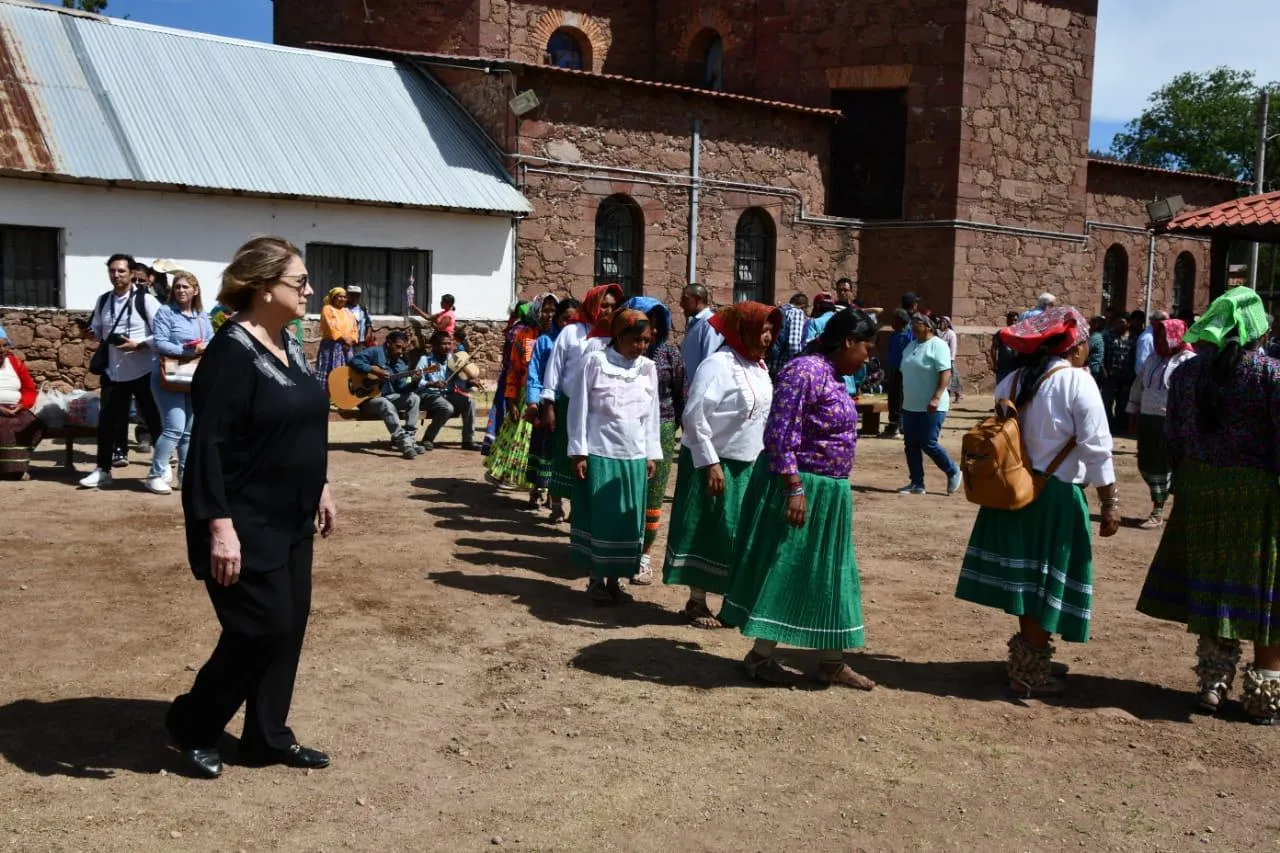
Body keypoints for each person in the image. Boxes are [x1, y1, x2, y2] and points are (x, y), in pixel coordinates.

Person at [168, 235, 335, 779]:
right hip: (241, 519)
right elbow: (207, 447)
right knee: (261, 625)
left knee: (289, 626)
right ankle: (193, 723)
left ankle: (266, 736)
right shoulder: (230, 354)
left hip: (291, 515)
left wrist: (322, 485)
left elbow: (303, 425)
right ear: (264, 288)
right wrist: (219, 525)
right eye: (300, 282)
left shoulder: (292, 344)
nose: (310, 290)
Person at [955, 306, 1119, 697]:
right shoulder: (1078, 383)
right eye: (1081, 343)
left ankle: (1031, 658)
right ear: (1072, 347)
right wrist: (1109, 501)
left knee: (1027, 581)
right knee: (1044, 581)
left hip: (1014, 492)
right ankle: (1028, 672)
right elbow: (1097, 448)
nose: (1084, 350)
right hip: (1056, 496)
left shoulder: (1010, 382)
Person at [1135, 289, 1280, 722]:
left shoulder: (1185, 375)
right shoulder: (1272, 375)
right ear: (1260, 330)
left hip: (1200, 488)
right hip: (1258, 496)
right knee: (1265, 593)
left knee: (1213, 583)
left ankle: (1213, 683)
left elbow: (1174, 438)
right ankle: (1265, 693)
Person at [719, 308, 880, 689]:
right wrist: (794, 488)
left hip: (831, 490)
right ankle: (760, 657)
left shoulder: (836, 376)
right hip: (802, 487)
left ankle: (832, 661)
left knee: (832, 573)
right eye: (866, 348)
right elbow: (779, 433)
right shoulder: (804, 371)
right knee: (787, 567)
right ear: (848, 342)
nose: (868, 357)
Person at [663, 302, 776, 627]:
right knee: (712, 529)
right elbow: (694, 414)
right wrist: (710, 462)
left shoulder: (758, 366)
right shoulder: (718, 365)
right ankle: (697, 602)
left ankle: (731, 602)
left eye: (770, 330)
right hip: (713, 460)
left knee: (739, 533)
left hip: (747, 463)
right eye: (762, 330)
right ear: (743, 331)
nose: (767, 337)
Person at [567, 309, 663, 605]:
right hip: (600, 452)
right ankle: (596, 579)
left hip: (633, 456)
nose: (641, 347)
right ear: (618, 336)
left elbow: (652, 415)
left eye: (646, 341)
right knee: (602, 518)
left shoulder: (647, 368)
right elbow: (579, 407)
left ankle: (614, 581)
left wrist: (651, 453)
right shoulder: (595, 361)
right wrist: (578, 452)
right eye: (636, 340)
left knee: (626, 521)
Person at [79, 254, 164, 489]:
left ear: (131, 273)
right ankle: (103, 469)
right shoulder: (103, 300)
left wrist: (140, 344)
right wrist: (89, 334)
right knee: (107, 422)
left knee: (154, 421)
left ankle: (160, 469)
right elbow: (97, 329)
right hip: (113, 372)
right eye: (112, 271)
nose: (116, 275)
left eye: (121, 271)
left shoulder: (145, 301)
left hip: (143, 370)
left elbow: (164, 333)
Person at [540, 284, 622, 519]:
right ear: (592, 304)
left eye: (612, 306)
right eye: (603, 305)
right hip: (569, 404)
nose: (608, 310)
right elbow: (554, 369)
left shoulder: (615, 335)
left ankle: (579, 509)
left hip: (598, 410)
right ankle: (556, 504)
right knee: (564, 455)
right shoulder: (572, 332)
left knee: (589, 458)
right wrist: (548, 405)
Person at [620, 296, 685, 585]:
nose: (653, 332)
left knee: (654, 494)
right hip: (624, 431)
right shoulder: (617, 358)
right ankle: (617, 556)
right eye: (647, 323)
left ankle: (644, 555)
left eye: (658, 324)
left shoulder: (670, 355)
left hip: (663, 427)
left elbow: (681, 393)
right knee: (624, 492)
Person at [145, 271, 214, 495]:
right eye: (177, 287)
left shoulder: (202, 316)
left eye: (185, 287)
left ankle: (185, 477)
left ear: (195, 290)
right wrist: (188, 350)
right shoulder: (165, 312)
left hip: (193, 376)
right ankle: (155, 474)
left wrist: (204, 348)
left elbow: (211, 341)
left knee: (189, 431)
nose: (181, 291)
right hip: (168, 376)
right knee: (174, 427)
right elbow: (160, 343)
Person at [1126, 318, 1195, 529]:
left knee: (1164, 464)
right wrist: (1132, 412)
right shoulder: (1152, 358)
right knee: (1146, 462)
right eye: (1157, 335)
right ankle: (1163, 501)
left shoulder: (1188, 360)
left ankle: (1158, 510)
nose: (1159, 340)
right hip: (1148, 420)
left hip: (1172, 421)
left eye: (1164, 335)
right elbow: (1139, 386)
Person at [897, 313, 962, 496]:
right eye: (912, 322)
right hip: (911, 404)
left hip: (932, 404)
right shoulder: (911, 345)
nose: (912, 325)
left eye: (916, 322)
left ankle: (953, 471)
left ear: (928, 326)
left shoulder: (938, 345)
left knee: (928, 443)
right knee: (911, 444)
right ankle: (917, 483)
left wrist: (936, 397)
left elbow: (945, 373)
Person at [486, 299, 547, 487]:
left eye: (554, 311)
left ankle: (533, 485)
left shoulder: (558, 336)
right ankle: (509, 476)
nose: (549, 315)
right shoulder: (525, 336)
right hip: (524, 395)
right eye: (545, 310)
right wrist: (511, 401)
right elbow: (514, 369)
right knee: (515, 435)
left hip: (550, 396)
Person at [525, 298, 578, 514]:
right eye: (565, 319)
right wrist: (533, 402)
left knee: (572, 453)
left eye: (573, 319)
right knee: (547, 453)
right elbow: (534, 374)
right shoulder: (545, 342)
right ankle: (551, 501)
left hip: (572, 404)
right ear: (557, 319)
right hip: (549, 404)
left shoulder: (581, 340)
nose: (569, 323)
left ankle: (575, 504)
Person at [349, 331, 424, 459]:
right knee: (384, 403)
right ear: (389, 344)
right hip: (366, 398)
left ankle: (410, 438)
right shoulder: (374, 352)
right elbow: (354, 361)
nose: (401, 351)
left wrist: (413, 380)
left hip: (387, 397)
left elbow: (402, 386)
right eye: (398, 347)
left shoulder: (400, 363)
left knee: (414, 398)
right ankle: (403, 442)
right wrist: (373, 369)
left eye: (404, 348)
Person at [414, 331, 479, 450]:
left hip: (448, 395)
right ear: (434, 345)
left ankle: (468, 440)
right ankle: (428, 438)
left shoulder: (453, 360)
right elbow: (416, 381)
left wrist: (469, 383)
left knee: (470, 402)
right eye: (444, 344)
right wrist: (431, 383)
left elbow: (460, 384)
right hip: (429, 395)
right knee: (447, 407)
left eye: (449, 344)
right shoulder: (425, 360)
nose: (448, 347)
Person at [0, 326, 42, 481]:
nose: (1, 349)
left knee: (31, 424)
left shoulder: (16, 364)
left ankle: (17, 468)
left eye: (5, 345)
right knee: (3, 426)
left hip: (16, 410)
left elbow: (30, 390)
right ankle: (7, 470)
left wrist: (22, 405)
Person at [679, 283, 724, 387]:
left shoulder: (709, 324)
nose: (681, 304)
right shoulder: (696, 324)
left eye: (685, 299)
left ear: (698, 299)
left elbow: (710, 363)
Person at [315, 287, 357, 391]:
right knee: (329, 371)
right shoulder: (327, 309)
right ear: (333, 298)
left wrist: (351, 340)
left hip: (347, 348)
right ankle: (326, 396)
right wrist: (343, 339)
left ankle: (342, 395)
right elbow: (331, 326)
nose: (343, 299)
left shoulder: (348, 312)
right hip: (331, 346)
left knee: (347, 371)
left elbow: (354, 328)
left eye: (344, 297)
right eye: (340, 296)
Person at [882, 309, 912, 438]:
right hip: (893, 369)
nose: (892, 323)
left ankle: (901, 425)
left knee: (900, 397)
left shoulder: (908, 336)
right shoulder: (894, 335)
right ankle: (893, 423)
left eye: (894, 320)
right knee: (892, 397)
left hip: (903, 371)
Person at [769, 293, 809, 376]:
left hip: (769, 362)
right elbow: (793, 345)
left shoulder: (778, 310)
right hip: (782, 367)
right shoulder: (797, 312)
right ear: (804, 307)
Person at [989, 311, 1021, 384]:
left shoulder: (1021, 334)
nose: (1013, 322)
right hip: (1003, 367)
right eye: (1011, 320)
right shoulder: (1001, 333)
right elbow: (994, 347)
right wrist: (994, 363)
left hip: (1016, 367)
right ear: (1007, 321)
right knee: (1001, 388)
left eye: (1015, 320)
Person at [937, 315, 963, 401]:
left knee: (953, 377)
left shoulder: (951, 334)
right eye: (940, 322)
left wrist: (951, 359)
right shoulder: (938, 333)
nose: (941, 324)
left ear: (947, 324)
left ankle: (958, 394)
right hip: (939, 358)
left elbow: (953, 347)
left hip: (948, 359)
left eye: (943, 322)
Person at [345, 285, 374, 353]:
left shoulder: (362, 308)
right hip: (347, 342)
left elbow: (369, 323)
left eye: (357, 295)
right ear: (347, 295)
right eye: (352, 295)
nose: (354, 297)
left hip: (360, 342)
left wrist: (368, 334)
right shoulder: (343, 308)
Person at [1085, 315, 1107, 385]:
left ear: (1094, 325)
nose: (1088, 326)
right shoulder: (1098, 336)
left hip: (1093, 368)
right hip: (1096, 368)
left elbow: (1085, 351)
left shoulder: (1095, 337)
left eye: (1090, 323)